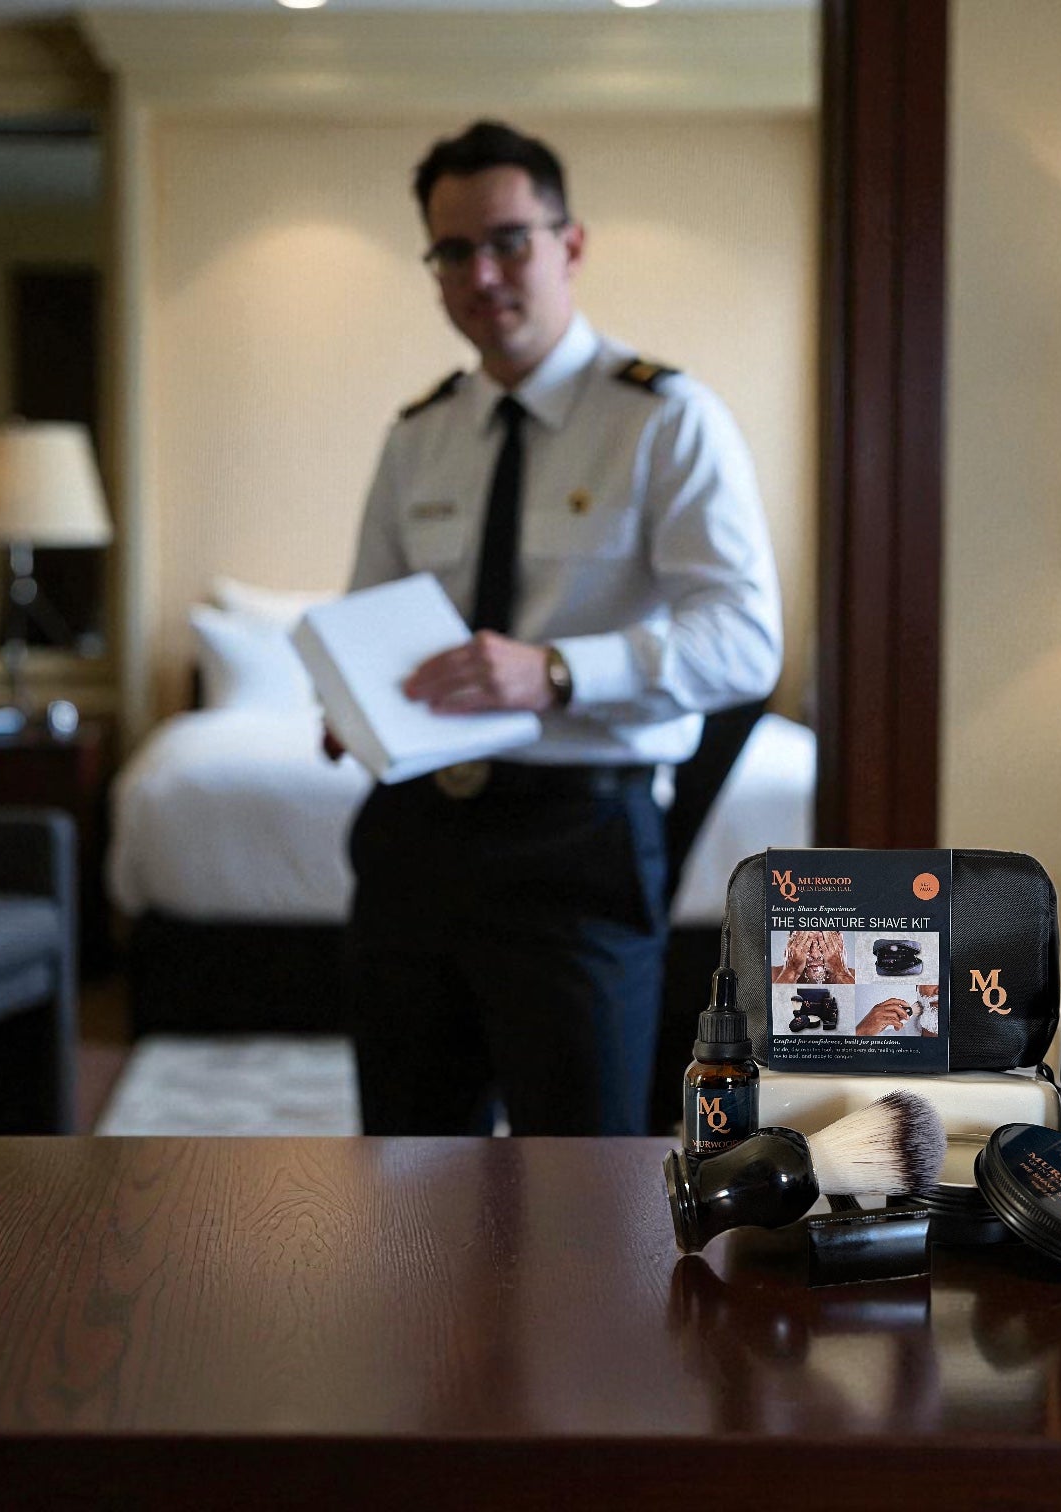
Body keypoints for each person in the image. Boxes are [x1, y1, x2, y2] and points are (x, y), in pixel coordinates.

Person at [339, 120, 782, 1136]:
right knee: (407, 1172)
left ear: (570, 243)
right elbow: (371, 618)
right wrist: (351, 701)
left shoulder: (665, 418)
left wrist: (555, 673)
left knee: (578, 1189)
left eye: (508, 240)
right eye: (453, 251)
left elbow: (747, 640)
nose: (481, 273)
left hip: (574, 843)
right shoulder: (418, 436)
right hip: (412, 841)